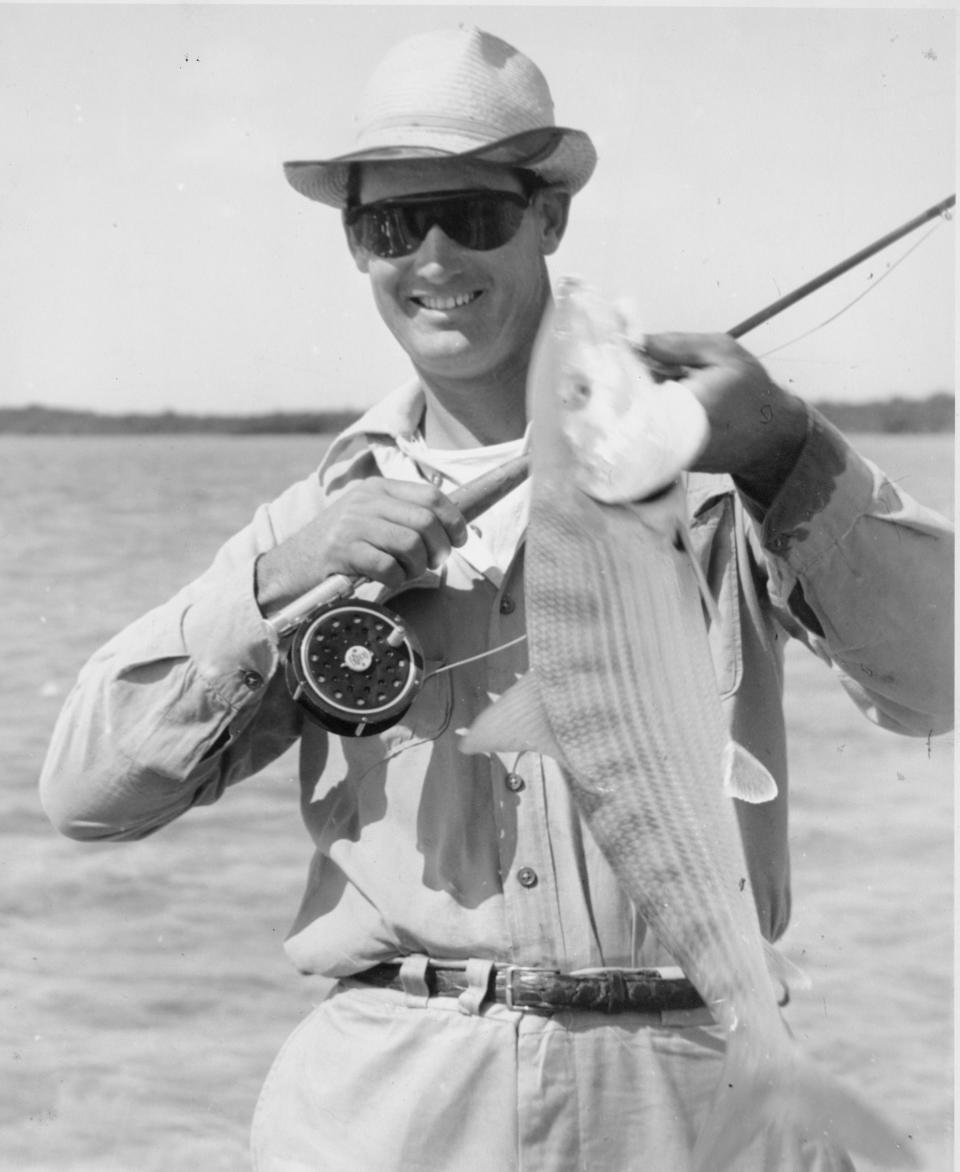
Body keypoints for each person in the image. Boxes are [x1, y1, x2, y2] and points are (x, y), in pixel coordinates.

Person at [40, 25, 953, 1172]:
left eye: (472, 217)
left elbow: (937, 684)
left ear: (547, 219)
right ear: (354, 244)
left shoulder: (713, 465)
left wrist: (782, 443)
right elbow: (83, 795)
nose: (429, 257)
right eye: (388, 225)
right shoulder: (311, 519)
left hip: (685, 1091)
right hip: (390, 1104)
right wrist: (277, 583)